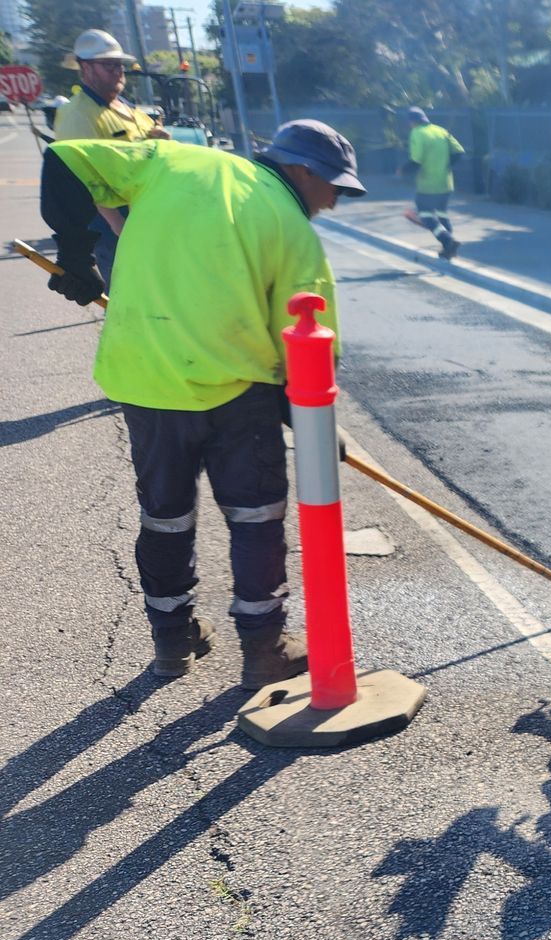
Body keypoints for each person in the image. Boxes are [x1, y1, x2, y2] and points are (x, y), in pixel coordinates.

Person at [40, 120, 366, 687]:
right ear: (303, 171)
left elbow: (65, 160)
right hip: (238, 392)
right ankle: (264, 649)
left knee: (164, 517)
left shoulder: (173, 161)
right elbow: (309, 342)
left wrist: (74, 255)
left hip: (148, 378)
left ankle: (172, 640)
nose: (334, 202)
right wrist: (312, 422)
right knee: (255, 519)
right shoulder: (292, 228)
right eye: (335, 187)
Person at [53, 29, 170, 288]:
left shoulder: (124, 107)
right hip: (115, 222)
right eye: (109, 65)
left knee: (160, 287)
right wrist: (118, 225)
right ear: (85, 68)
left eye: (120, 65)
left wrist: (157, 139)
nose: (118, 71)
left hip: (146, 210)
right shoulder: (78, 116)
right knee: (131, 292)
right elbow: (84, 176)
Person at [400, 106, 465, 259]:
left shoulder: (417, 133)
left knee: (426, 215)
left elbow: (416, 160)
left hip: (427, 184)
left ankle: (448, 241)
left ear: (412, 122)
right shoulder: (440, 130)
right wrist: (446, 166)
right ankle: (448, 249)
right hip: (446, 182)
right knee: (442, 214)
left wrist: (403, 171)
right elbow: (459, 151)